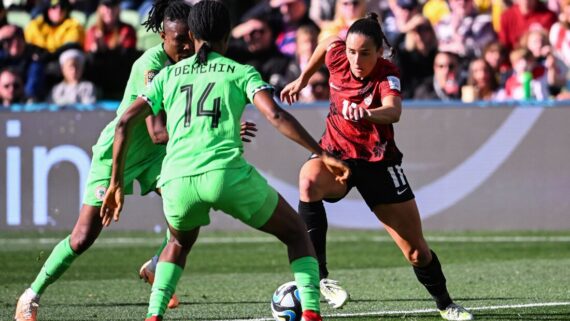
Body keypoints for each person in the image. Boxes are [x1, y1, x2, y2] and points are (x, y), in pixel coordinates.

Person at [99, 2, 349, 321]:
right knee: (297, 233)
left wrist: (115, 183)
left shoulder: (167, 75)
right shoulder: (240, 72)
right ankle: (311, 313)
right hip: (224, 175)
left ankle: (153, 315)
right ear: (228, 36)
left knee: (177, 243)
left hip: (176, 181)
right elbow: (275, 114)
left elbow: (123, 123)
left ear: (192, 34)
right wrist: (323, 153)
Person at [12, 2, 258, 320]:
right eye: (176, 40)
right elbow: (156, 131)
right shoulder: (151, 65)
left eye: (189, 39)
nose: (184, 46)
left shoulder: (193, 63)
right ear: (161, 36)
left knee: (189, 218)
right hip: (119, 153)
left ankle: (156, 266)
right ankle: (31, 295)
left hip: (156, 157)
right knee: (83, 236)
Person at [281, 12, 474, 321]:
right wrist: (302, 79)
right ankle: (320, 277)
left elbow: (393, 111)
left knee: (416, 252)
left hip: (378, 163)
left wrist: (367, 114)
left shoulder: (387, 74)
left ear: (379, 52)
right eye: (352, 51)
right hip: (337, 155)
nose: (356, 60)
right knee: (308, 180)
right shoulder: (337, 54)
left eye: (365, 53)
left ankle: (445, 303)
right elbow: (325, 43)